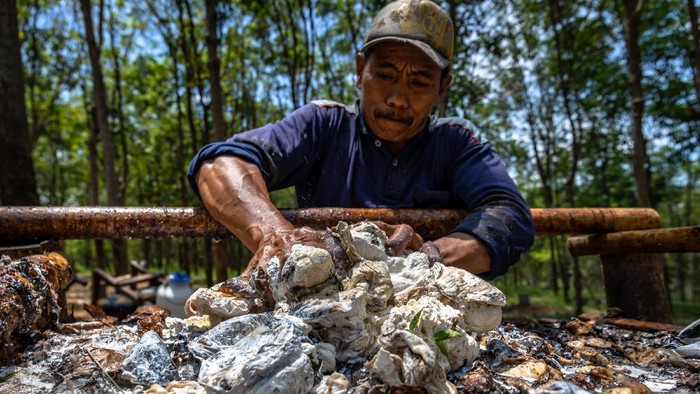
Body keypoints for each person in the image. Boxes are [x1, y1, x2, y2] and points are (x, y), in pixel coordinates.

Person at [187, 0, 535, 280]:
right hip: (324, 309)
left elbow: (509, 214)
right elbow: (222, 163)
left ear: (442, 88)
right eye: (384, 75)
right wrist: (274, 236)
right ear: (359, 70)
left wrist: (429, 257)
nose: (398, 98)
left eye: (419, 81)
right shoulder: (325, 123)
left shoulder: (456, 141)